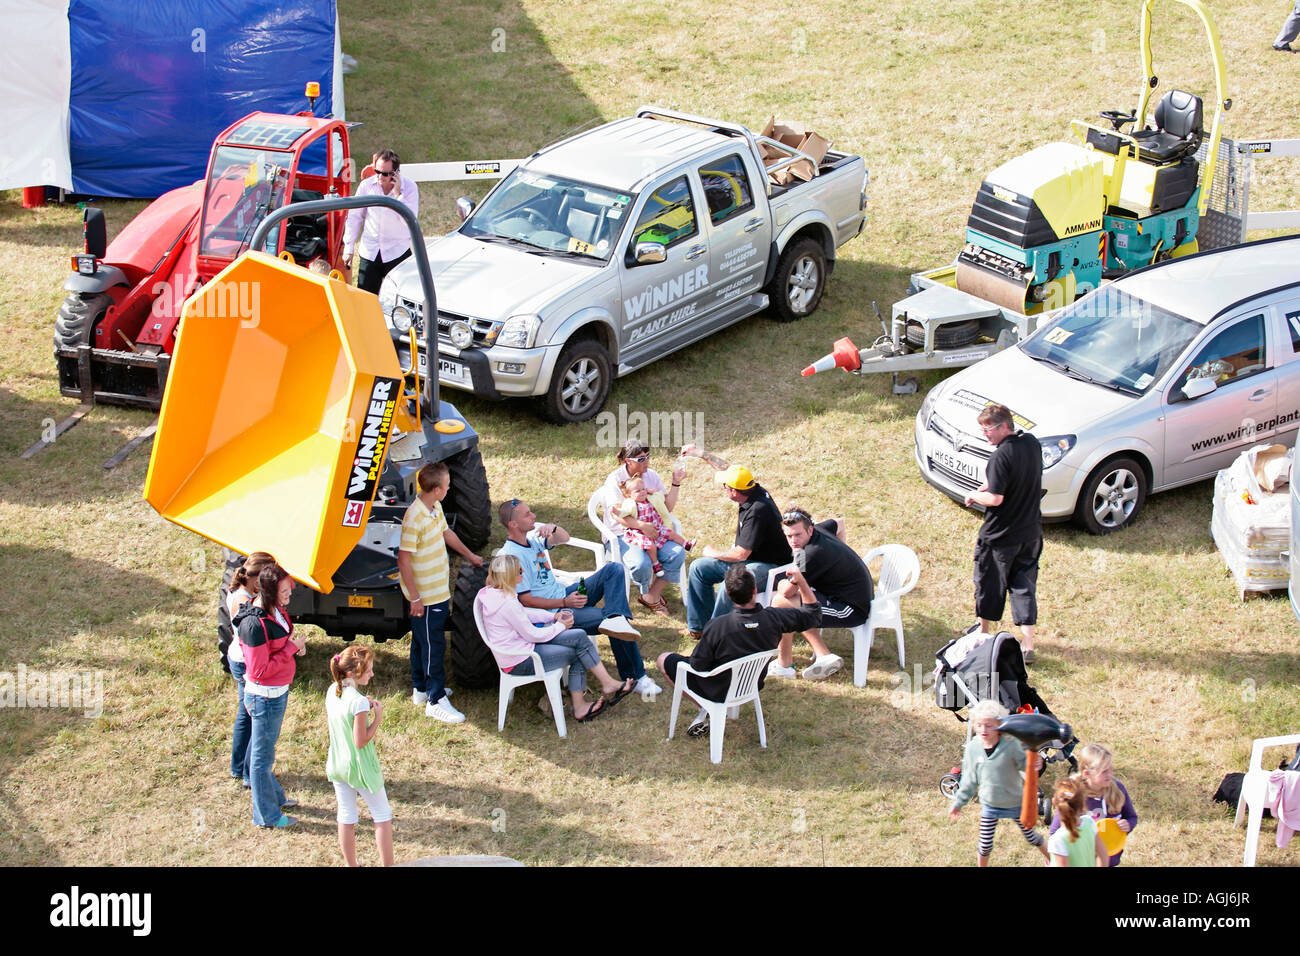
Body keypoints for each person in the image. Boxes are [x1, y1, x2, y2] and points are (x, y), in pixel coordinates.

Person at [499, 498, 659, 695]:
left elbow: (564, 538)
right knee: (612, 621)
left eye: (531, 512)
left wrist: (554, 528)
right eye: (527, 514)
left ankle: (616, 618)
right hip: (555, 613)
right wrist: (565, 602)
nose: (533, 516)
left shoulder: (532, 542)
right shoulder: (511, 557)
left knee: (614, 570)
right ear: (513, 524)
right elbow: (525, 601)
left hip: (564, 594)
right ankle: (636, 675)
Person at [658, 564, 820, 738]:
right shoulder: (775, 618)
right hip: (752, 684)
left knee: (664, 659)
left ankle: (708, 708)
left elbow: (698, 665)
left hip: (717, 688)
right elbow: (813, 615)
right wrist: (801, 582)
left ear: (727, 594)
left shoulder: (718, 626)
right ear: (755, 590)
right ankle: (711, 710)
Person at [477, 554, 636, 722]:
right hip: (520, 660)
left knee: (580, 636)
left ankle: (606, 684)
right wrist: (560, 626)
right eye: (519, 570)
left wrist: (553, 617)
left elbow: (524, 613)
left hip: (521, 648)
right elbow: (532, 634)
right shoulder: (506, 604)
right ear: (509, 575)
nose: (523, 572)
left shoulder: (495, 592)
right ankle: (582, 705)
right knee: (579, 651)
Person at [397, 461, 484, 724]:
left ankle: (420, 689)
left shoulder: (435, 507)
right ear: (436, 489)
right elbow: (403, 560)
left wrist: (470, 555)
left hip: (437, 591)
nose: (449, 489)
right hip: (425, 596)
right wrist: (415, 598)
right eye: (446, 486)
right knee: (433, 645)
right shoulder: (414, 518)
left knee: (421, 641)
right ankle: (436, 700)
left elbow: (446, 532)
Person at [680, 444, 792, 639]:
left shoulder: (757, 510)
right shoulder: (750, 488)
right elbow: (728, 470)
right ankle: (699, 627)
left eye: (725, 486)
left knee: (731, 584)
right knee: (699, 568)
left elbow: (741, 554)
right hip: (750, 560)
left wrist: (713, 552)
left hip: (771, 567)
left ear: (733, 491)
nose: (724, 488)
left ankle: (716, 635)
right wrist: (700, 454)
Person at [963, 403, 1043, 662]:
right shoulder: (1031, 444)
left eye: (988, 429)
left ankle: (983, 632)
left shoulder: (1000, 456)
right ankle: (1028, 645)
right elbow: (999, 480)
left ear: (1004, 426)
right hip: (1030, 533)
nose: (985, 434)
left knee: (989, 584)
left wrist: (975, 495)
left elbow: (996, 498)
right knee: (1024, 587)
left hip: (1000, 537)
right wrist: (984, 485)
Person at [235, 563, 306, 828]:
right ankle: (266, 816)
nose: (290, 594)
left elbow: (279, 644)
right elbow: (259, 670)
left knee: (263, 751)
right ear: (270, 591)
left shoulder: (275, 610)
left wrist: (291, 647)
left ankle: (274, 798)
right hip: (265, 697)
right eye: (285, 590)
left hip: (276, 693)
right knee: (262, 758)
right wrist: (290, 650)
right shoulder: (253, 625)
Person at [768, 507, 873, 681]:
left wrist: (780, 583)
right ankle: (788, 663)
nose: (793, 541)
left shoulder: (810, 553)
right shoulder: (819, 532)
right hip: (844, 595)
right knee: (792, 602)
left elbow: (787, 591)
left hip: (850, 608)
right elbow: (839, 523)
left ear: (810, 529)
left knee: (781, 602)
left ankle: (812, 658)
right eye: (788, 536)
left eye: (797, 535)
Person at [946, 699, 1049, 866]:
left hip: (1015, 802)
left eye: (989, 725)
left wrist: (1034, 764)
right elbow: (969, 779)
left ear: (1000, 725)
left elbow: (1025, 766)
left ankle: (1054, 859)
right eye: (979, 725)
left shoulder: (1011, 745)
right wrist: (958, 803)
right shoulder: (973, 748)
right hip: (990, 804)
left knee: (1032, 837)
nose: (983, 730)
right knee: (985, 845)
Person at [601, 439, 687, 614]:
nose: (647, 461)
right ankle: (646, 589)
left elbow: (667, 507)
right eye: (641, 459)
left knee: (677, 554)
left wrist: (676, 483)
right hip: (622, 533)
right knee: (641, 564)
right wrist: (642, 526)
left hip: (652, 531)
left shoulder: (651, 476)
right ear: (628, 461)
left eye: (648, 456)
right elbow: (617, 515)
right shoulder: (614, 480)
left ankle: (651, 596)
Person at [326, 646, 393, 866]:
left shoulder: (332, 692)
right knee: (382, 816)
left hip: (338, 764)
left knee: (346, 816)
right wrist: (377, 718)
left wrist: (363, 707)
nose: (372, 674)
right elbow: (361, 740)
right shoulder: (359, 702)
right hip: (360, 768)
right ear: (353, 674)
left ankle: (351, 864)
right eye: (369, 670)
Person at [226, 551, 276, 789]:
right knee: (253, 717)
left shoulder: (238, 591)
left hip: (238, 657)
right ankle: (247, 772)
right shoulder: (244, 601)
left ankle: (238, 767)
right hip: (245, 660)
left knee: (244, 714)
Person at [1048, 743, 1138, 866]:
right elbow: (1055, 832)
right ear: (1086, 773)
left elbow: (1131, 816)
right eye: (1104, 772)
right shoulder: (1074, 796)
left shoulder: (1118, 789)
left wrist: (1128, 824)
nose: (1110, 775)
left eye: (1111, 769)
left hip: (1110, 859)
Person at [343, 148, 419, 294]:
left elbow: (409, 221)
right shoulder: (366, 185)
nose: (379, 177)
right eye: (377, 171)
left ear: (396, 173)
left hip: (397, 251)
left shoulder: (410, 188)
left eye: (385, 174)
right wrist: (349, 248)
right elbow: (354, 216)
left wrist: (398, 196)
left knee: (400, 299)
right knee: (365, 299)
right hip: (370, 251)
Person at [615, 475, 693, 588]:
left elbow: (662, 499)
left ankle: (686, 544)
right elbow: (623, 513)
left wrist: (654, 492)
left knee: (672, 535)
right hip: (641, 533)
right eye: (638, 491)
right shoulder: (630, 503)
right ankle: (655, 565)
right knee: (650, 547)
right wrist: (616, 511)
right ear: (629, 495)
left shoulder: (650, 498)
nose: (642, 492)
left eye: (643, 489)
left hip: (657, 528)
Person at [1047, 778, 1107, 867]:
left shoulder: (1057, 840)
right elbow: (1103, 855)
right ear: (1083, 804)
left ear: (1054, 802)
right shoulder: (1089, 823)